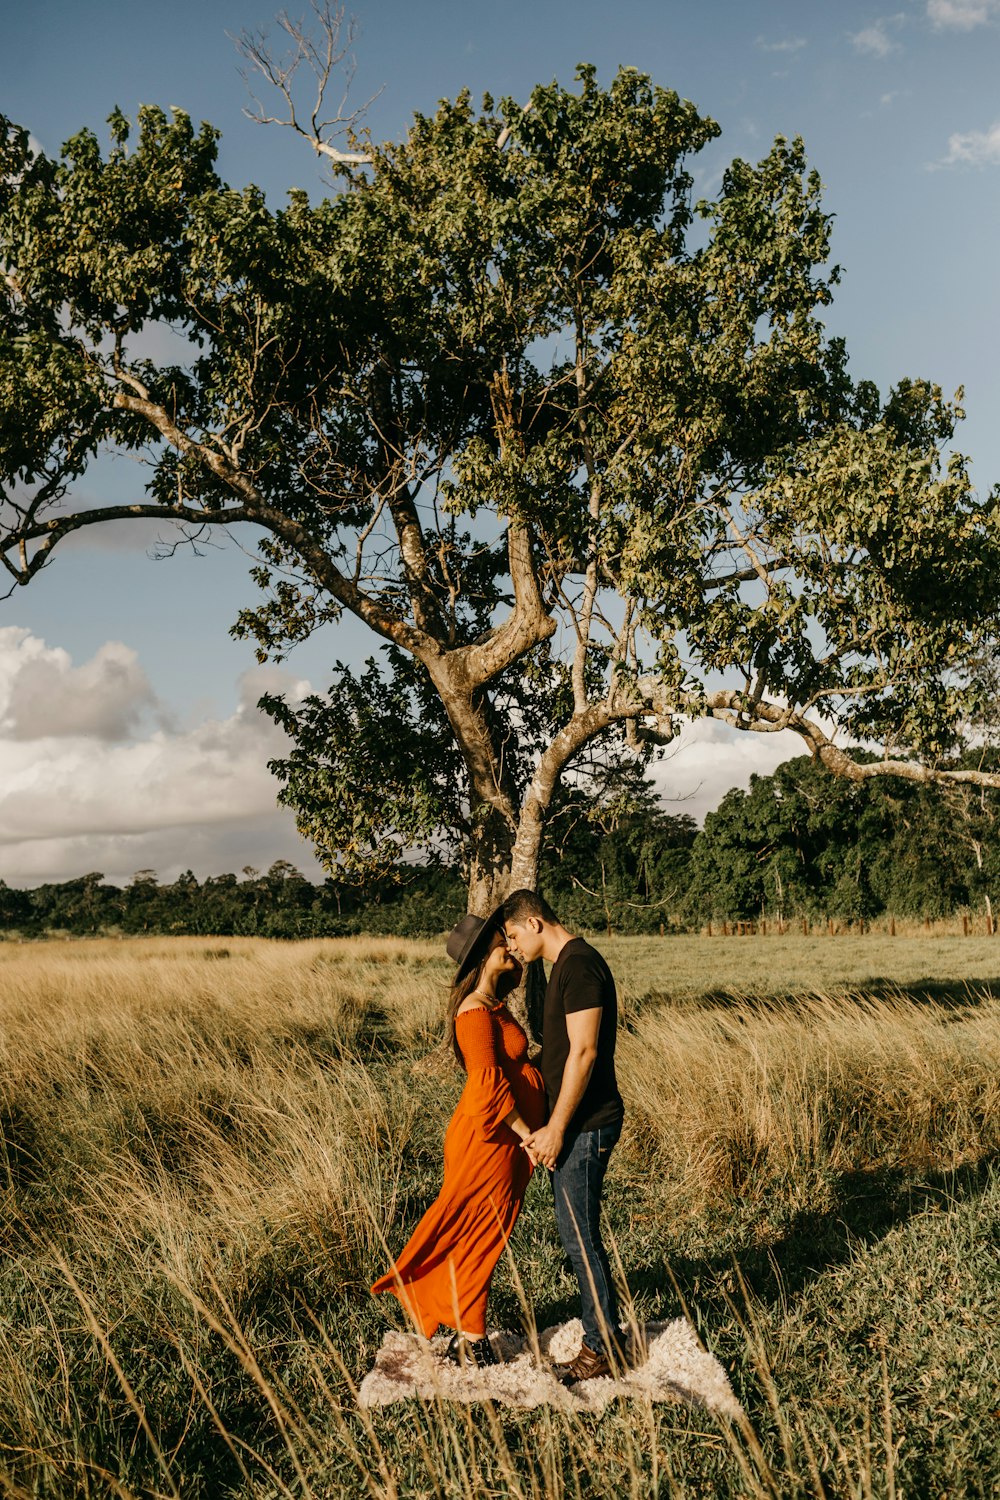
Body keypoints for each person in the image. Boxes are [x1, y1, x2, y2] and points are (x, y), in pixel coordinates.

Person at [370, 910, 547, 1367]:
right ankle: (470, 1334)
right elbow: (485, 1085)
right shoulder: (473, 1013)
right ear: (485, 957)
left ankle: (467, 1327)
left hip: (499, 1140)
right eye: (501, 943)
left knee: (482, 1232)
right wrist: (529, 1135)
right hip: (488, 1139)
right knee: (479, 1233)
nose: (510, 948)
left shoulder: (492, 1007)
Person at [501, 888, 625, 1384]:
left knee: (580, 1238)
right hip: (574, 1125)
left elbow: (585, 1053)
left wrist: (555, 1128)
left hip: (586, 1125)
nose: (513, 949)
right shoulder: (563, 968)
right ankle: (603, 1338)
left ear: (534, 923)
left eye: (513, 937)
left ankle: (602, 1349)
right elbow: (559, 1052)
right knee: (576, 1236)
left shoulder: (580, 964)